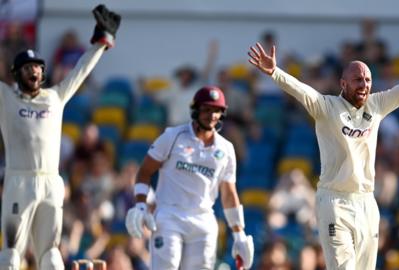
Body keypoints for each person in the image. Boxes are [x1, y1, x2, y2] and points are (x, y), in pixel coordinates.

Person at [248, 28, 399, 269]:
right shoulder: (326, 107)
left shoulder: (376, 105)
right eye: (358, 79)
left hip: (367, 202)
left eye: (368, 79)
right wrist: (274, 72)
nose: (364, 85)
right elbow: (301, 90)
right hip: (334, 201)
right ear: (343, 83)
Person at [0, 5, 121, 270]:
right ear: (16, 73)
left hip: (52, 183)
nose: (34, 72)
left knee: (51, 256)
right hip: (19, 180)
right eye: (27, 68)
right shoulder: (6, 98)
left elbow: (80, 71)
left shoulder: (54, 97)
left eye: (38, 67)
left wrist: (101, 43)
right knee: (10, 256)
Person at [125, 86, 254, 269]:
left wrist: (239, 234)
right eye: (206, 109)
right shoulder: (172, 136)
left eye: (216, 110)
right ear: (195, 110)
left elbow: (228, 193)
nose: (211, 115)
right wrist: (140, 206)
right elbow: (145, 171)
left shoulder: (226, 149)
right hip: (170, 215)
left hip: (203, 219)